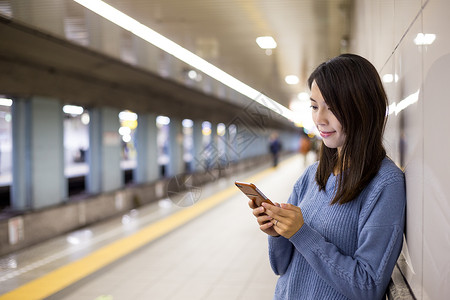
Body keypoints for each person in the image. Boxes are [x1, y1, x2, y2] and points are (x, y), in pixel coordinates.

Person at [248, 54, 406, 300]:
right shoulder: (312, 175)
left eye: (332, 107)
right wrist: (277, 231)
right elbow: (281, 267)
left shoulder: (385, 183)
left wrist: (301, 233)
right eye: (314, 106)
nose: (319, 119)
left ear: (362, 107)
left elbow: (368, 286)